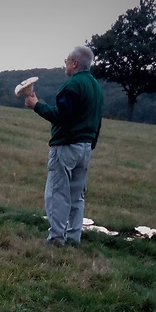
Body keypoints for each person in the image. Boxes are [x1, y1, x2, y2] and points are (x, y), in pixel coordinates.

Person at [24, 45, 103, 246]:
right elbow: (97, 119)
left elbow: (62, 116)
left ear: (75, 63)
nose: (65, 64)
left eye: (67, 60)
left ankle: (57, 238)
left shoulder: (73, 85)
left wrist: (36, 106)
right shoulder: (95, 86)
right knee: (77, 197)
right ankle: (74, 238)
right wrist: (91, 143)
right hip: (85, 148)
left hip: (66, 146)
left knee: (57, 193)